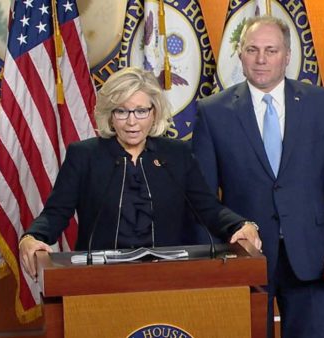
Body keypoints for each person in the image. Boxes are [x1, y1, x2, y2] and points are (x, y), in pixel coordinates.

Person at [192, 16, 324, 338]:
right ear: (239, 55)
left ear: (287, 55)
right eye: (252, 50)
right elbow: (203, 197)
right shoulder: (212, 111)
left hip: (312, 253)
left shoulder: (322, 104)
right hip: (243, 256)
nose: (261, 59)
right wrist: (210, 261)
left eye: (271, 50)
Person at [19, 67, 261, 278]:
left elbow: (208, 208)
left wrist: (241, 225)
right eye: (122, 111)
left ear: (154, 113)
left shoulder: (176, 155)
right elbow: (56, 213)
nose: (132, 121)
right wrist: (32, 237)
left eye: (141, 111)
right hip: (99, 278)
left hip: (168, 275)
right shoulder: (85, 156)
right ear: (110, 116)